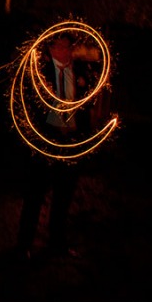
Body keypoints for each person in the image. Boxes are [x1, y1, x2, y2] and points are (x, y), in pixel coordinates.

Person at [13, 31, 101, 262]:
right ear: (50, 49)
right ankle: (24, 245)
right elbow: (29, 106)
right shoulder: (40, 73)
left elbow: (88, 103)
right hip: (46, 144)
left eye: (67, 47)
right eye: (58, 47)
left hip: (71, 143)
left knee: (64, 196)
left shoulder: (82, 72)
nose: (63, 52)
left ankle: (57, 242)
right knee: (35, 195)